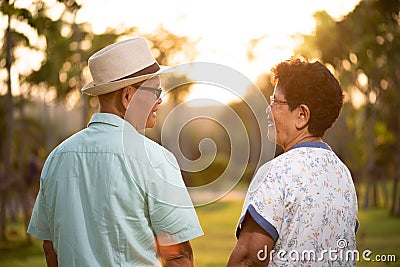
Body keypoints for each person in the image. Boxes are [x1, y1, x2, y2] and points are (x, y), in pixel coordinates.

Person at [28, 37, 203, 267]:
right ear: (128, 96)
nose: (160, 100)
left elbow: (50, 248)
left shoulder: (57, 157)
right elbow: (178, 257)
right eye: (155, 91)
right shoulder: (155, 160)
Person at [227, 56, 358, 266]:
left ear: (301, 115)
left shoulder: (277, 172)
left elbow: (248, 259)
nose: (268, 110)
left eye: (275, 102)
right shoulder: (343, 174)